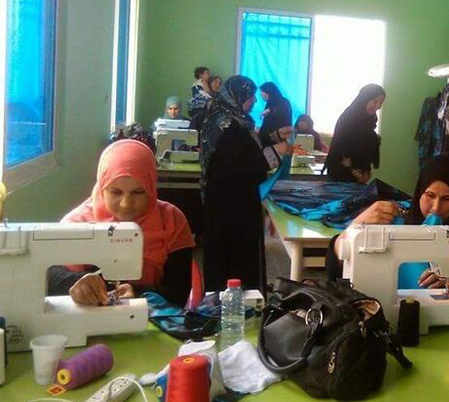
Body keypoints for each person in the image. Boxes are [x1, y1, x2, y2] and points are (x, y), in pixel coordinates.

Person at [47, 140, 195, 308]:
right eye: (115, 192)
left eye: (138, 192)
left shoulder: (172, 220)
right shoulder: (76, 223)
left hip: (152, 316)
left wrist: (139, 293)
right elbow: (51, 277)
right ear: (102, 186)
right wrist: (77, 282)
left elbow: (179, 291)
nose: (126, 204)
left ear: (151, 188)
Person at [198, 75, 293, 293]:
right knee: (235, 256)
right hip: (230, 204)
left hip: (235, 199)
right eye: (250, 97)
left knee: (239, 252)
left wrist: (274, 136)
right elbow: (241, 164)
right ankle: (234, 302)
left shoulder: (233, 119)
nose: (254, 102)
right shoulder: (226, 125)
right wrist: (276, 152)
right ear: (237, 96)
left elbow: (248, 147)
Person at [326, 154, 449, 288]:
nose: (436, 208)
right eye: (430, 195)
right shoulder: (392, 221)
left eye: (447, 199)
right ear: (419, 193)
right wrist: (356, 225)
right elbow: (334, 271)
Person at [325, 84, 385, 184]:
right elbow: (341, 151)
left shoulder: (370, 120)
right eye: (375, 101)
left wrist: (366, 172)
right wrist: (359, 175)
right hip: (341, 175)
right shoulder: (349, 118)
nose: (378, 106)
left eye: (380, 103)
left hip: (360, 176)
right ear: (365, 98)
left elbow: (365, 149)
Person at [257, 82, 293, 147]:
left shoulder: (283, 102)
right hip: (268, 141)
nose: (261, 94)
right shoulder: (269, 103)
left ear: (268, 92)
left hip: (278, 142)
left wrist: (270, 111)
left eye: (262, 91)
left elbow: (281, 112)